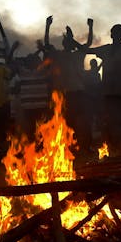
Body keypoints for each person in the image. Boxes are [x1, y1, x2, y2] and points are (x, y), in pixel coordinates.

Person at [83, 22, 121, 155]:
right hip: (108, 94)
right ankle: (113, 149)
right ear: (112, 35)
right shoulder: (107, 49)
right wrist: (75, 44)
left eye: (120, 34)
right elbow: (88, 50)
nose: (117, 36)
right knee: (108, 122)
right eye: (115, 33)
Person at [44, 16, 93, 152]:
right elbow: (47, 44)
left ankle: (85, 146)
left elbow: (88, 43)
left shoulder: (78, 55)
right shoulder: (59, 55)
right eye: (66, 41)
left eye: (68, 41)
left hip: (78, 93)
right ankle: (70, 147)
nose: (67, 43)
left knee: (82, 121)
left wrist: (90, 27)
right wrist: (47, 26)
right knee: (67, 122)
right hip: (65, 95)